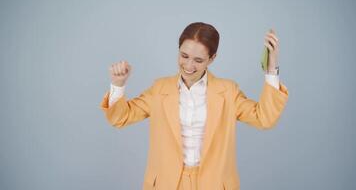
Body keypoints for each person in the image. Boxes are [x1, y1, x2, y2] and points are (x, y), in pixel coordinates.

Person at [100, 22, 289, 190]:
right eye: (184, 55)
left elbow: (264, 118)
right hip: (167, 183)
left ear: (212, 58)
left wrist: (272, 69)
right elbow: (120, 118)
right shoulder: (159, 89)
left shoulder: (228, 91)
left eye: (198, 60)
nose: (189, 65)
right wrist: (118, 84)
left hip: (214, 183)